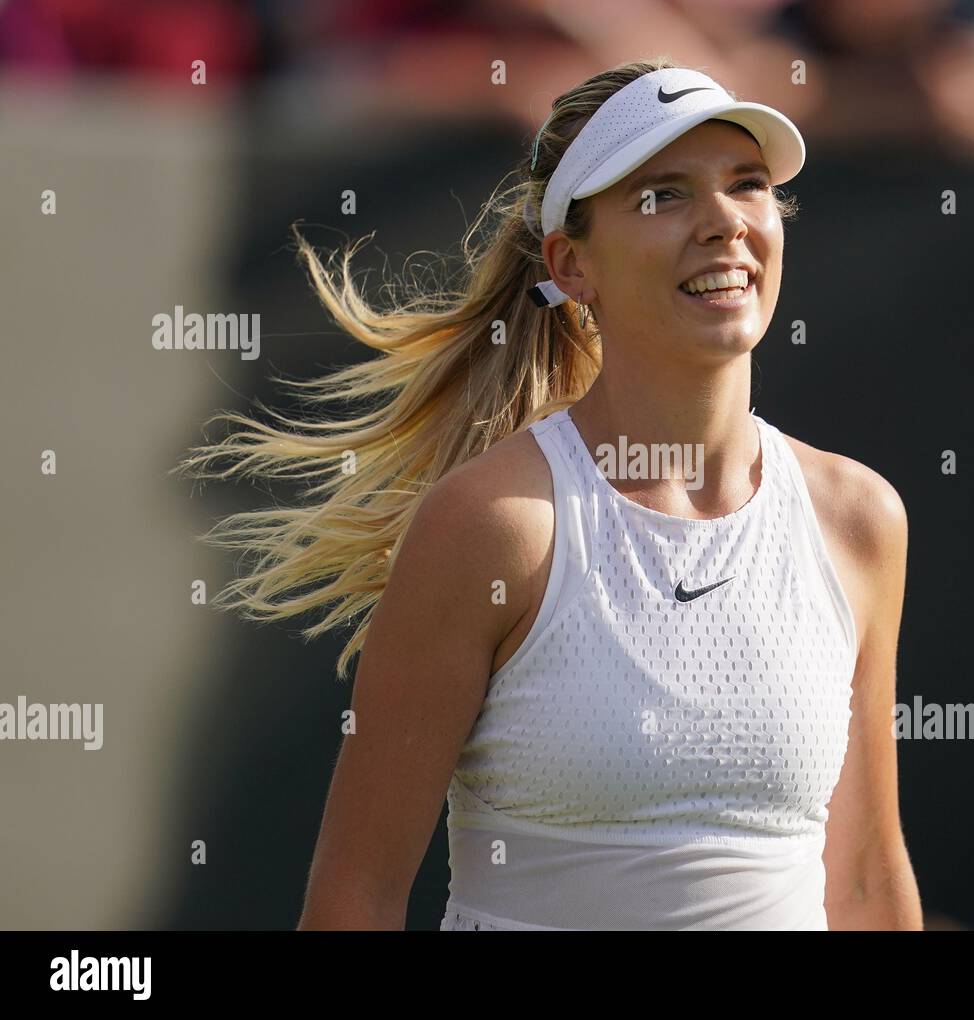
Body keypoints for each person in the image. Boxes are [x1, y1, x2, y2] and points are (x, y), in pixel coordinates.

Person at [179, 56, 919, 930]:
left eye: (747, 185)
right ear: (572, 265)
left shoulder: (860, 520)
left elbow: (868, 879)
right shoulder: (492, 528)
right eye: (663, 196)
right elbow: (356, 900)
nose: (725, 221)